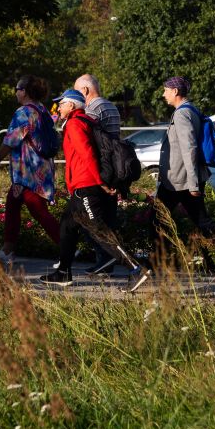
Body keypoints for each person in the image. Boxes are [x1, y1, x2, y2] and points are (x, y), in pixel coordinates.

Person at [39, 89, 151, 291]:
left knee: (100, 231)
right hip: (85, 185)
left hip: (87, 185)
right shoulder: (88, 121)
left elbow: (87, 153)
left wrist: (99, 181)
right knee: (67, 226)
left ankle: (137, 268)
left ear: (72, 105)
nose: (59, 107)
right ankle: (63, 272)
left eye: (61, 103)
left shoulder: (75, 124)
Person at [0, 75, 61, 262]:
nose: (16, 92)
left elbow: (10, 141)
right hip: (42, 168)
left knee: (38, 210)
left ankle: (67, 246)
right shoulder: (42, 110)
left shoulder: (23, 113)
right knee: (13, 204)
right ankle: (8, 249)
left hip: (27, 171)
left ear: (25, 92)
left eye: (17, 89)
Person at [154, 76, 215, 268]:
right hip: (182, 179)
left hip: (181, 181)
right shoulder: (191, 110)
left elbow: (189, 148)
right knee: (201, 221)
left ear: (175, 92)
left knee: (159, 218)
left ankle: (159, 262)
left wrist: (193, 184)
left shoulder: (182, 114)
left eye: (166, 90)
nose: (163, 94)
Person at [74, 73, 123, 274]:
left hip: (99, 169)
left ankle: (106, 258)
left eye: (76, 92)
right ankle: (107, 261)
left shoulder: (92, 108)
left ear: (85, 90)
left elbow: (87, 137)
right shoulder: (110, 106)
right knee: (107, 217)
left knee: (90, 218)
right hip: (114, 167)